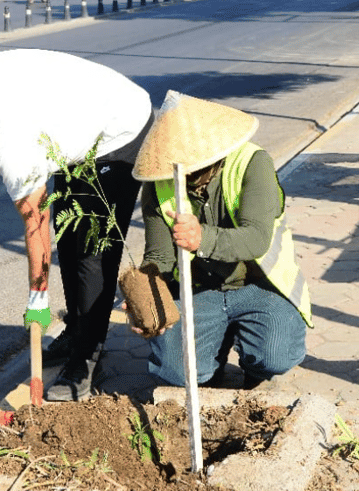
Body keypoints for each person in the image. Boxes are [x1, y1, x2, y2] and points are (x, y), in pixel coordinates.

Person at [0, 48, 152, 401]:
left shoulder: (11, 144)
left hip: (120, 127)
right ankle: (78, 329)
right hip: (75, 129)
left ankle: (87, 356)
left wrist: (37, 302)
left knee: (93, 252)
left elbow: (36, 228)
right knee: (68, 235)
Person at [128, 90, 313, 388]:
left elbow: (255, 239)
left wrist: (202, 238)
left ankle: (255, 368)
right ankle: (213, 358)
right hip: (201, 290)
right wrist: (147, 294)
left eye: (192, 169)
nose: (183, 177)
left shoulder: (253, 164)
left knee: (274, 356)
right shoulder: (160, 181)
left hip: (258, 285)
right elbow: (160, 256)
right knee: (179, 373)